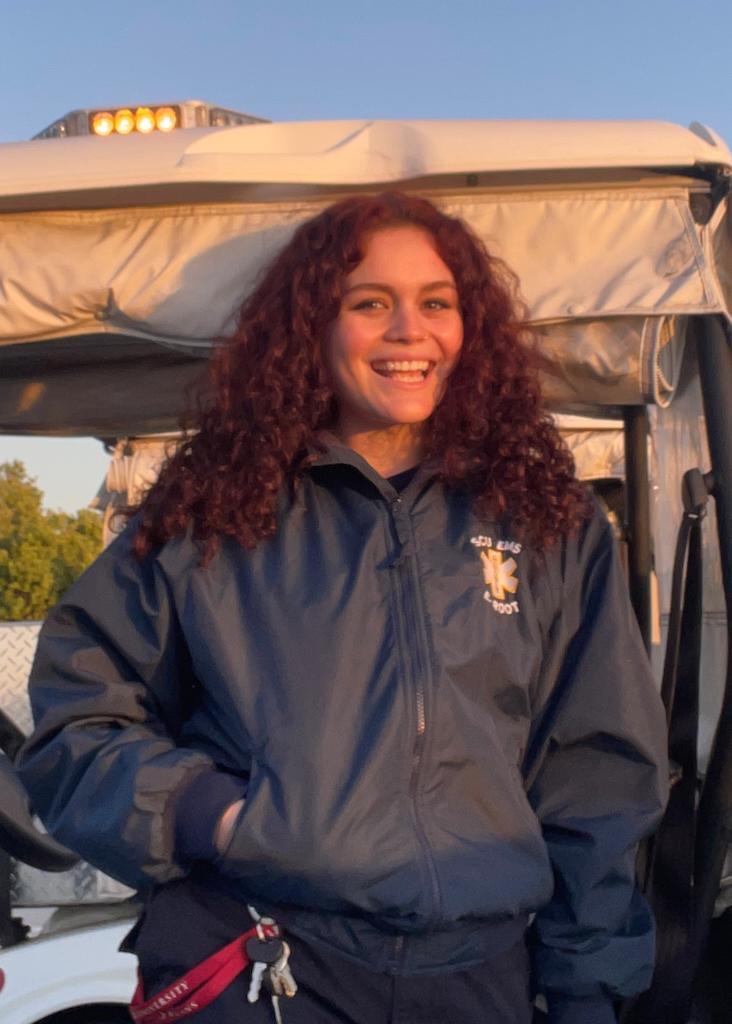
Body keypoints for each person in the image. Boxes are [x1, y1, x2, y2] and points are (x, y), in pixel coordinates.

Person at [18, 193, 668, 1024]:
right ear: (311, 329)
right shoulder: (210, 514)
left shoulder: (550, 523)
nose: (410, 330)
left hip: (478, 976)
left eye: (437, 303)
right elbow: (75, 721)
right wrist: (211, 815)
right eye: (370, 304)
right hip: (264, 965)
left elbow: (597, 775)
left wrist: (585, 989)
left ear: (469, 331)